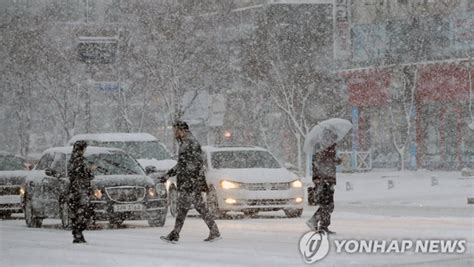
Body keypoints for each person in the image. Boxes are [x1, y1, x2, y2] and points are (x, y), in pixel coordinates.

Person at [160, 120, 221, 243]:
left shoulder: (191, 144)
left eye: (176, 130)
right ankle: (214, 231)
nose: (174, 133)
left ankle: (175, 234)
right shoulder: (186, 143)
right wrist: (168, 174)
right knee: (194, 209)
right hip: (189, 183)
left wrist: (192, 182)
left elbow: (194, 165)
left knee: (185, 209)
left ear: (183, 131)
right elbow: (182, 165)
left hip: (190, 184)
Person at [306, 131, 341, 234]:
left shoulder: (327, 149)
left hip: (327, 180)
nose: (336, 141)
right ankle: (316, 221)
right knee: (327, 204)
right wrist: (321, 180)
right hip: (324, 181)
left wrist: (336, 161)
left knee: (327, 204)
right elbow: (320, 164)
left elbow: (326, 163)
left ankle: (322, 225)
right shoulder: (323, 149)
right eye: (334, 138)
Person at [67, 140, 95, 243]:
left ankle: (77, 233)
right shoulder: (78, 161)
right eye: (84, 149)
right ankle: (78, 233)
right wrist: (90, 171)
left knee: (78, 213)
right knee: (82, 213)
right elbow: (81, 175)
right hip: (79, 190)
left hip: (76, 191)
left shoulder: (74, 160)